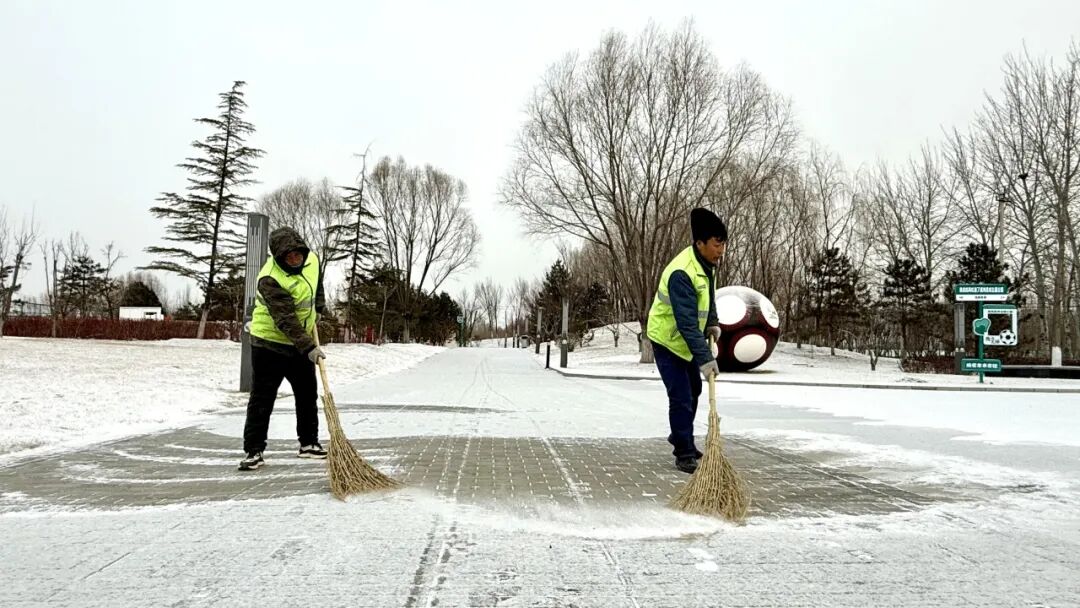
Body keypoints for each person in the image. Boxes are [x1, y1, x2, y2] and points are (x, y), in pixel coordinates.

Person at [239, 227, 328, 471]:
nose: (295, 260)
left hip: (300, 342)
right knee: (262, 397)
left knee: (307, 393)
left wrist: (318, 308)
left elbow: (317, 284)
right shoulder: (269, 277)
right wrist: (309, 346)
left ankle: (309, 443)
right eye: (289, 257)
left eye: (298, 255)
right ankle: (254, 450)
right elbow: (285, 319)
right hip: (269, 344)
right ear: (279, 257)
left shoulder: (312, 261)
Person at [646, 208, 728, 474]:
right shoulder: (682, 272)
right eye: (717, 244)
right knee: (681, 395)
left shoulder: (707, 265)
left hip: (685, 342)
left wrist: (713, 322)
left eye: (724, 243)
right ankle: (683, 452)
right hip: (667, 340)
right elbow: (686, 324)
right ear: (700, 243)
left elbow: (709, 298)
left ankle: (680, 435)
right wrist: (706, 359)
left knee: (694, 390)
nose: (721, 250)